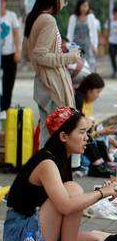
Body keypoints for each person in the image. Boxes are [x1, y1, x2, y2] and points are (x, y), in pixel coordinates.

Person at [4, 107, 117, 241]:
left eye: (87, 132)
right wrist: (101, 193)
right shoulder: (47, 163)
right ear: (64, 136)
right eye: (81, 132)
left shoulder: (61, 159)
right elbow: (66, 206)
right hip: (21, 239)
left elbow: (70, 209)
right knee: (73, 189)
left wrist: (102, 194)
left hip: (35, 233)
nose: (87, 138)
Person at [23, 0, 81, 147]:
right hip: (53, 83)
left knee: (47, 132)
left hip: (42, 81)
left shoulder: (34, 18)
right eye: (64, 0)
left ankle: (44, 166)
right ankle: (53, 168)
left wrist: (57, 50)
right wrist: (70, 57)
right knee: (59, 133)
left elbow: (27, 54)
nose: (64, 3)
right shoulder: (48, 20)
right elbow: (39, 55)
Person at [74, 73, 117, 178]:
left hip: (85, 131)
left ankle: (104, 164)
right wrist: (101, 131)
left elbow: (90, 126)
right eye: (97, 92)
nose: (97, 96)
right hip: (77, 134)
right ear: (89, 90)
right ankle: (97, 165)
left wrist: (101, 130)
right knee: (88, 138)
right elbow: (79, 125)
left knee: (100, 141)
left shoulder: (85, 100)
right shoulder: (79, 99)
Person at [0, 0, 21, 112]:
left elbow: (16, 34)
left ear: (5, 3)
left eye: (3, 1)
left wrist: (17, 51)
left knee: (8, 82)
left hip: (9, 54)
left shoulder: (11, 16)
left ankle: (5, 107)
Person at [67, 0, 99, 71]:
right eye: (83, 6)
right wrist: (69, 45)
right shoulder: (73, 17)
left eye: (86, 6)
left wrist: (95, 45)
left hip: (87, 45)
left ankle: (90, 79)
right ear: (79, 6)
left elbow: (94, 33)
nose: (85, 8)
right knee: (78, 64)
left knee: (89, 63)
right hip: (77, 46)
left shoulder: (90, 17)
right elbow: (70, 33)